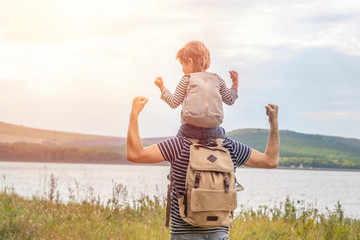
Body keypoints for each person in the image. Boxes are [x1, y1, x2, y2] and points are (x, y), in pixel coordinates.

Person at [127, 96, 280, 240]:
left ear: (186, 114)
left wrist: (134, 113)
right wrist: (273, 122)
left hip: (184, 234)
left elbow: (135, 154)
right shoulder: (230, 147)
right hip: (219, 235)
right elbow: (270, 161)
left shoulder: (178, 146)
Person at [154, 40, 239, 140]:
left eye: (182, 64)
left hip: (190, 130)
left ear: (189, 62)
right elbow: (230, 99)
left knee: (177, 146)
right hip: (214, 131)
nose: (182, 68)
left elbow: (174, 102)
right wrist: (235, 83)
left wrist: (161, 87)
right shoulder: (217, 79)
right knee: (227, 144)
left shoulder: (187, 79)